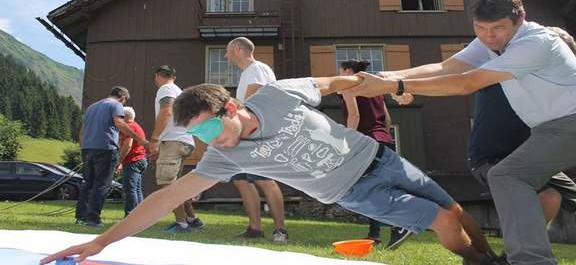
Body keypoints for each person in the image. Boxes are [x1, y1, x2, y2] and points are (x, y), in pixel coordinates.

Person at [41, 76, 506, 265]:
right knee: (443, 221)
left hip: (380, 157)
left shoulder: (277, 94)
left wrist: (384, 86)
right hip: (354, 190)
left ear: (231, 107)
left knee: (457, 209)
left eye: (207, 130)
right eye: (196, 139)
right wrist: (102, 241)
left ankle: (490, 260)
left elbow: (332, 82)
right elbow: (163, 199)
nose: (207, 144)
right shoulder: (224, 158)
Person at [346, 0, 576, 264]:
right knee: (512, 176)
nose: (489, 36)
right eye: (480, 28)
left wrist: (397, 85)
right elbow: (447, 68)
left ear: (520, 19)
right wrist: (387, 75)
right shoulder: (491, 41)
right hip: (549, 130)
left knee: (509, 175)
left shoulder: (536, 42)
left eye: (498, 28)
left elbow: (465, 83)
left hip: (571, 123)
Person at [338, 59, 411, 249]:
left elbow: (355, 116)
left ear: (347, 71)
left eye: (340, 71)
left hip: (365, 142)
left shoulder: (349, 86)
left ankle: (398, 224)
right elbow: (387, 118)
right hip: (384, 140)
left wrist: (348, 144)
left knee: (367, 188)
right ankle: (375, 233)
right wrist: (384, 136)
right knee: (380, 186)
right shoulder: (375, 88)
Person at [224, 37, 288, 243]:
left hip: (258, 133)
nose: (225, 56)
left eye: (227, 51)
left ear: (237, 49)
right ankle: (255, 228)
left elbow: (251, 101)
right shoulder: (248, 72)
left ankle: (280, 230)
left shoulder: (257, 68)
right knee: (241, 180)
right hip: (244, 133)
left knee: (264, 179)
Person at [75, 86, 149, 227]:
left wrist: (83, 147)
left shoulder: (91, 107)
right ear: (123, 97)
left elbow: (82, 131)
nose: (123, 105)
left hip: (87, 148)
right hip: (106, 148)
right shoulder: (116, 105)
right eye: (125, 102)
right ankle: (93, 218)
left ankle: (81, 217)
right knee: (102, 184)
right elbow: (119, 123)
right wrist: (141, 140)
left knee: (88, 184)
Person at [148, 65, 204, 233]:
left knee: (166, 183)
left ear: (157, 76)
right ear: (174, 76)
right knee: (177, 184)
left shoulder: (166, 88)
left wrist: (155, 139)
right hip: (184, 140)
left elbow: (166, 111)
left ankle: (182, 224)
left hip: (173, 140)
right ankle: (192, 219)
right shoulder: (179, 90)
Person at [115, 106, 148, 216]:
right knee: (137, 189)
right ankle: (140, 214)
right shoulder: (136, 125)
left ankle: (130, 215)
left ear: (125, 116)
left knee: (130, 189)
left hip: (133, 160)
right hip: (141, 159)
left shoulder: (129, 127)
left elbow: (127, 145)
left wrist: (119, 161)